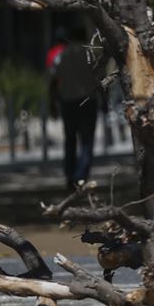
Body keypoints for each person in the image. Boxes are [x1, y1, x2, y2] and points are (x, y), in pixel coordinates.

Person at [49, 26, 103, 190]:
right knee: (87, 142)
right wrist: (105, 101)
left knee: (70, 141)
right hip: (88, 102)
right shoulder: (90, 55)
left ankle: (70, 175)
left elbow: (53, 81)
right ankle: (80, 176)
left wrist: (52, 102)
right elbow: (100, 80)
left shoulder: (62, 56)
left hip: (68, 102)